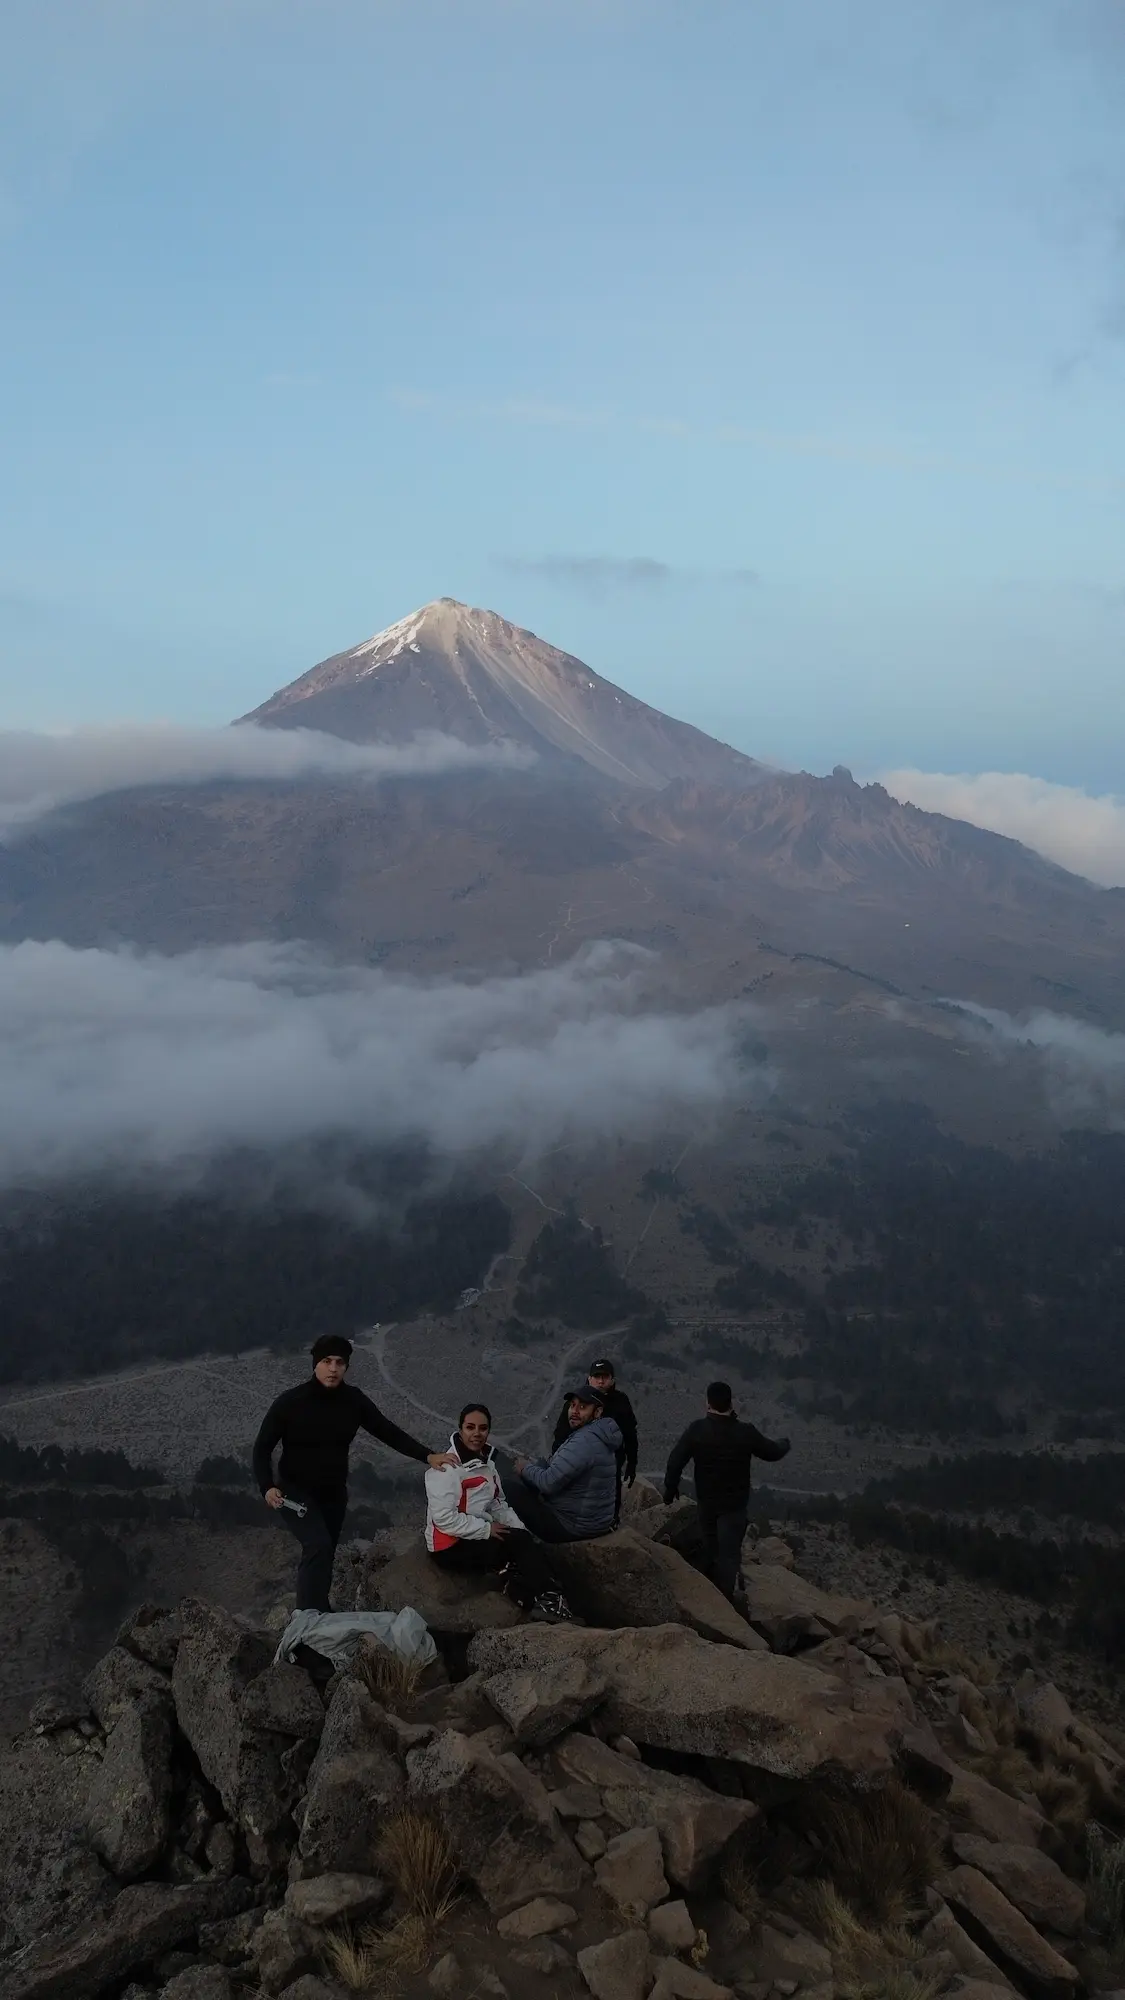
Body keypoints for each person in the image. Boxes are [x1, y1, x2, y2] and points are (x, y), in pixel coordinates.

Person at [253, 1334, 455, 1612]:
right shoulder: (290, 1402)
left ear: (346, 1366)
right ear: (315, 1364)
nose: (333, 1368)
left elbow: (387, 1431)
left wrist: (427, 1455)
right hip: (294, 1492)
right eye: (326, 1361)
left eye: (339, 1362)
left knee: (326, 1552)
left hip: (334, 1494)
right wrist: (266, 1486)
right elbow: (262, 1448)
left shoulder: (353, 1401)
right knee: (317, 1545)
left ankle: (318, 1609)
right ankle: (308, 1620)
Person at [425, 1403, 570, 1617]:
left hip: (474, 1532)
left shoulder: (486, 1463)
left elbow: (497, 1503)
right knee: (520, 1547)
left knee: (525, 1545)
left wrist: (519, 1530)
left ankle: (527, 1596)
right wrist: (486, 1530)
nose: (477, 1433)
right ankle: (549, 1601)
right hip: (449, 1545)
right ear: (460, 1429)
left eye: (482, 1428)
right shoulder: (448, 1469)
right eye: (470, 1427)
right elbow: (443, 1519)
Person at [663, 1381, 790, 1600]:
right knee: (729, 1557)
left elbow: (675, 1461)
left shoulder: (698, 1430)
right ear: (731, 1402)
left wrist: (670, 1489)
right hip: (734, 1508)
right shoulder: (745, 1432)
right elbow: (772, 1452)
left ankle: (707, 1600)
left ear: (707, 1403)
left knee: (710, 1549)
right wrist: (784, 1443)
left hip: (707, 1504)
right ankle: (726, 1603)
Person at [504, 1386, 621, 1542]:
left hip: (571, 1526)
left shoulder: (584, 1441)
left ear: (598, 1412)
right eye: (572, 1405)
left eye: (583, 1407)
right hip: (591, 1522)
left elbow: (548, 1483)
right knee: (532, 1474)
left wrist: (524, 1468)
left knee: (506, 1488)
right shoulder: (597, 1435)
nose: (575, 1411)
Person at [551, 1357, 638, 1526]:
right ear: (589, 1378)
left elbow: (630, 1434)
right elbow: (561, 1434)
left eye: (605, 1376)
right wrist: (555, 1460)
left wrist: (632, 1463)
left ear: (612, 1379)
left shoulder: (621, 1402)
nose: (600, 1380)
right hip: (577, 1459)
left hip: (611, 1462)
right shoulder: (575, 1403)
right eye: (597, 1376)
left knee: (611, 1491)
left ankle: (611, 1522)